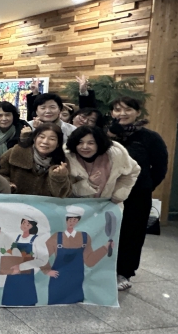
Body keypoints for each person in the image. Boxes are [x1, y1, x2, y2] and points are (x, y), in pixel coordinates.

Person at [108, 96, 169, 290]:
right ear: (111, 113)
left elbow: (159, 168)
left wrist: (146, 186)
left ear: (137, 112)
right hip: (106, 194)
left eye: (128, 109)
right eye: (118, 109)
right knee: (106, 231)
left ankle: (124, 272)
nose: (122, 113)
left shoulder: (150, 138)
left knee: (132, 234)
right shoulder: (105, 134)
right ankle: (101, 270)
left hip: (137, 195)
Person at [42, 205, 113, 305]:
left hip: (76, 281)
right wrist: (46, 270)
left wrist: (105, 248)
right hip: (58, 281)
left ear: (78, 221)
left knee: (76, 305)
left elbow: (89, 261)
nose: (72, 222)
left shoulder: (84, 237)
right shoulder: (57, 237)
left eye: (75, 220)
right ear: (66, 220)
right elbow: (42, 254)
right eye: (70, 220)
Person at [65, 126, 140, 204]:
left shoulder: (115, 154)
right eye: (80, 142)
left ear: (99, 143)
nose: (84, 147)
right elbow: (67, 191)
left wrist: (119, 194)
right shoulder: (68, 159)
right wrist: (89, 184)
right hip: (78, 206)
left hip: (109, 205)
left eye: (91, 143)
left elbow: (133, 171)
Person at [0, 123, 72, 198]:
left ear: (58, 144)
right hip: (14, 201)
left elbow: (63, 194)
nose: (45, 141)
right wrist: (7, 184)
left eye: (52, 139)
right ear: (34, 138)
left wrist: (59, 177)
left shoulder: (61, 162)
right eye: (42, 137)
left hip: (44, 204)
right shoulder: (16, 152)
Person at [0, 216, 49, 306]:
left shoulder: (37, 240)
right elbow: (4, 245)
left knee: (26, 302)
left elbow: (43, 260)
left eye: (28, 224)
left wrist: (21, 267)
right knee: (10, 302)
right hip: (12, 274)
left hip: (26, 275)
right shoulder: (17, 237)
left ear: (33, 226)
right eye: (23, 223)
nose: (25, 225)